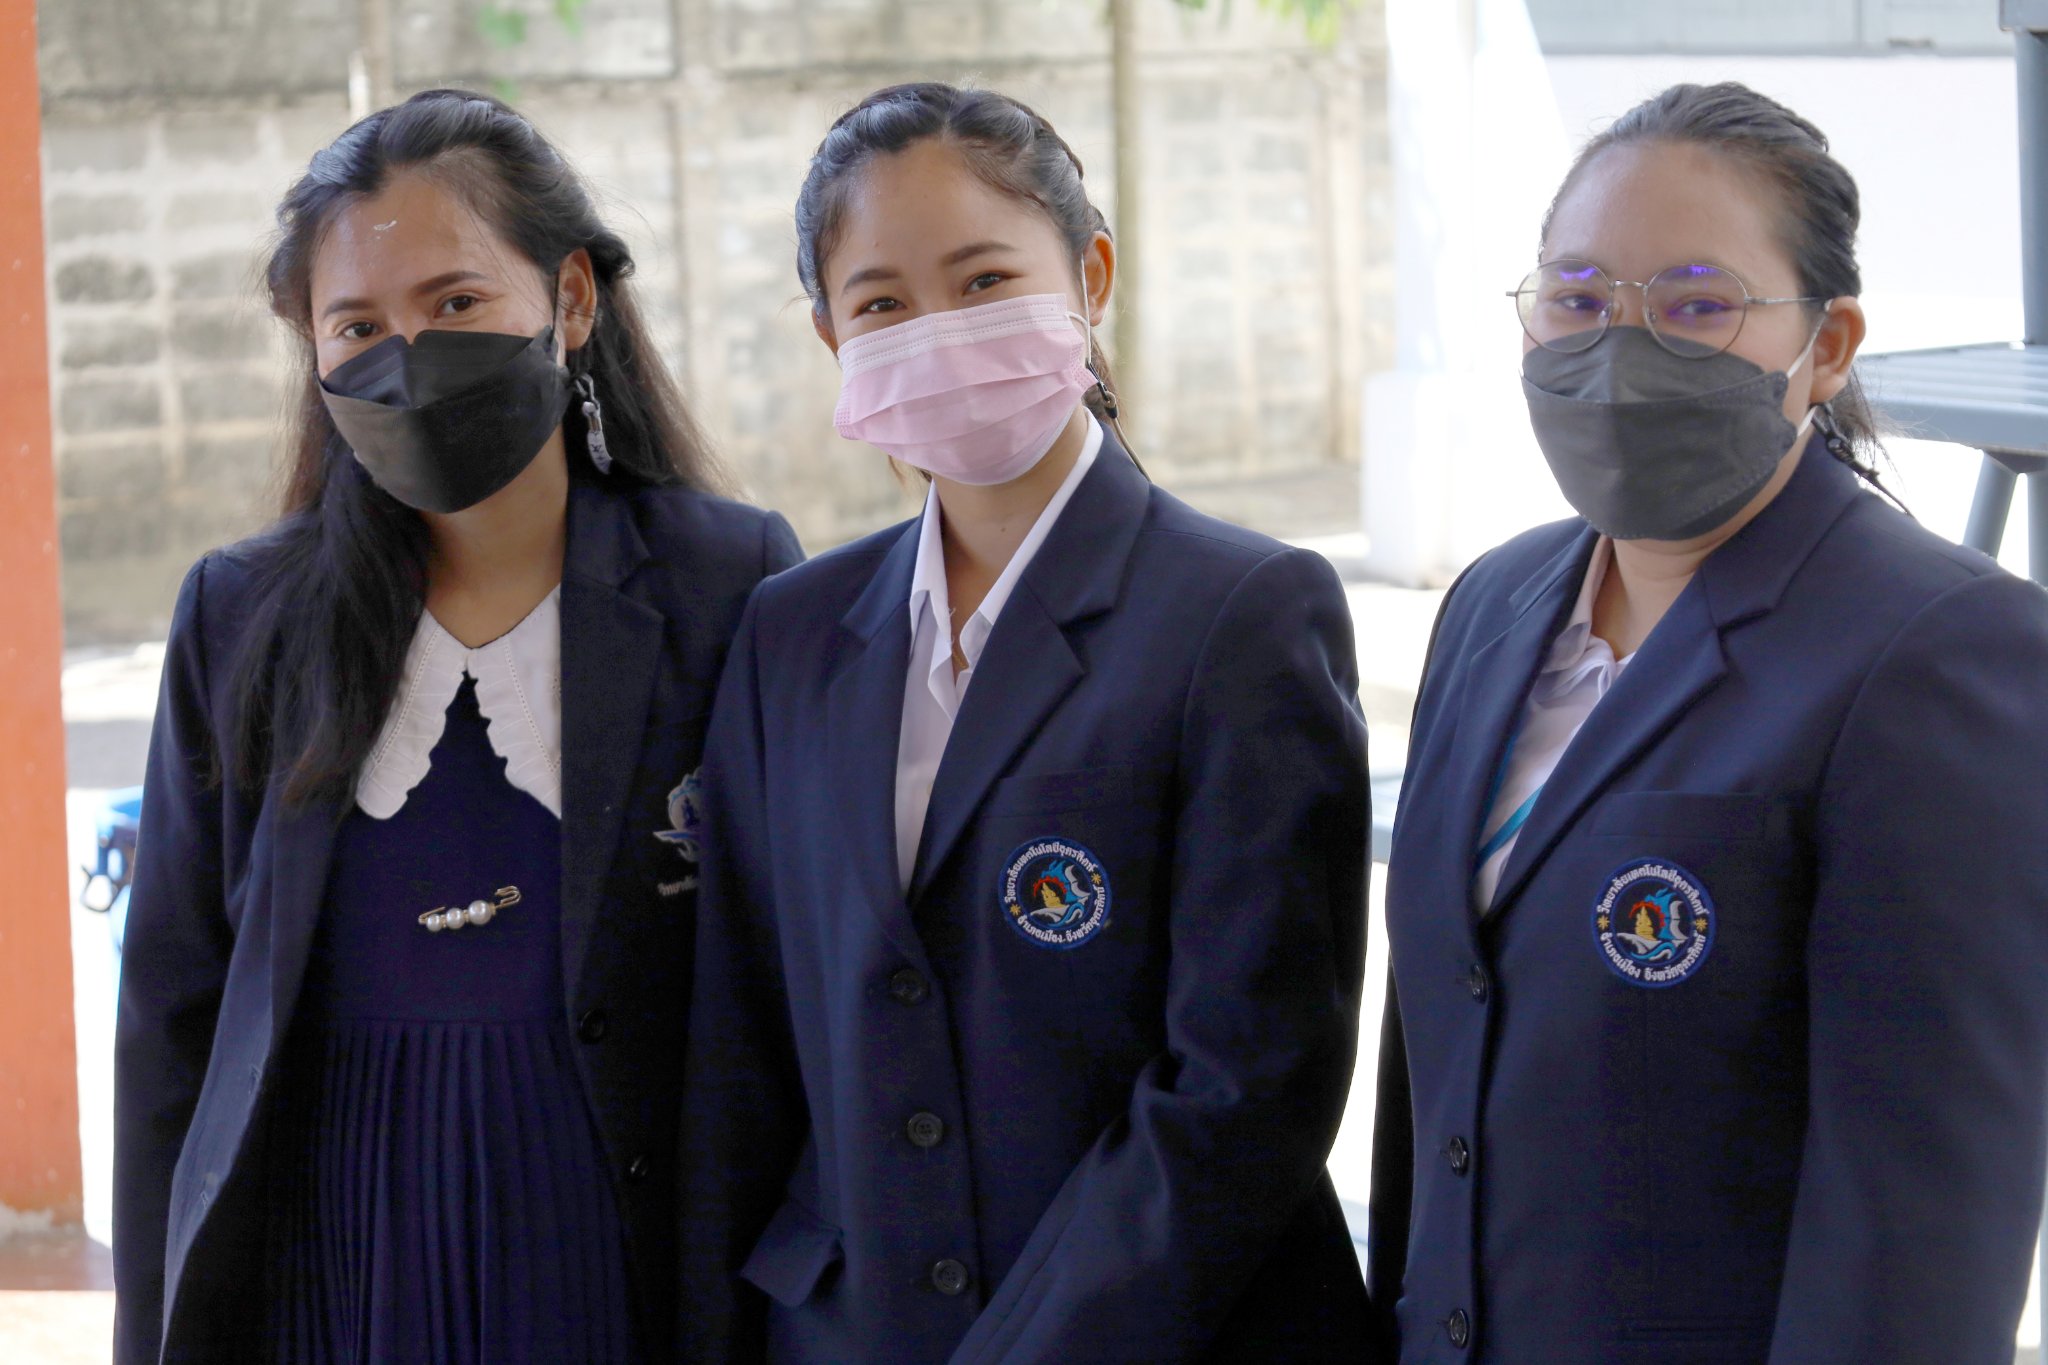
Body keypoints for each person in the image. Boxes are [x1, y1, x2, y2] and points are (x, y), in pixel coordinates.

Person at [678, 82, 1373, 1364]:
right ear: (832, 337)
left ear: (1090, 275)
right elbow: (741, 1051)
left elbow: (1245, 1082)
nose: (934, 329)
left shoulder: (1239, 613)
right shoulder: (789, 633)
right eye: (881, 302)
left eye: (984, 279)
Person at [112, 89, 801, 1365]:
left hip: (613, 1254)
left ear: (573, 299)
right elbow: (171, 1018)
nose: (407, 352)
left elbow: (779, 984)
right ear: (311, 354)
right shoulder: (239, 612)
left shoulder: (728, 582)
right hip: (328, 1263)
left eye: (456, 303)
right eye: (357, 324)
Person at [1368, 82, 2048, 1365]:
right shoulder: (1493, 604)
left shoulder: (1939, 653)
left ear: (1826, 345)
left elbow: (1919, 1228)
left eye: (1695, 305)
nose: (1619, 352)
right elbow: (1435, 1071)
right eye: (1574, 300)